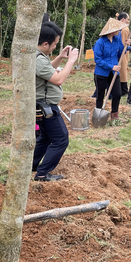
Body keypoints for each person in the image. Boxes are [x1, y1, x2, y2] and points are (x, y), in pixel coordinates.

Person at [32, 22, 79, 182]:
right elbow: (58, 79)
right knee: (61, 139)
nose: (54, 47)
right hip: (46, 108)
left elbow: (48, 70)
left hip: (43, 106)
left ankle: (32, 165)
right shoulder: (38, 59)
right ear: (45, 43)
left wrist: (60, 57)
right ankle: (42, 173)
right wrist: (71, 61)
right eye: (54, 45)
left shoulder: (39, 56)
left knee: (45, 137)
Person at [93, 18, 131, 121]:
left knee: (117, 94)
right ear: (111, 31)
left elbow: (121, 52)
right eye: (117, 29)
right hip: (101, 73)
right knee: (100, 95)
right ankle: (98, 116)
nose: (119, 31)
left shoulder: (117, 40)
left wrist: (127, 46)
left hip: (114, 72)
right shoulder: (100, 42)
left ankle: (114, 115)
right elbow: (98, 60)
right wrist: (111, 66)